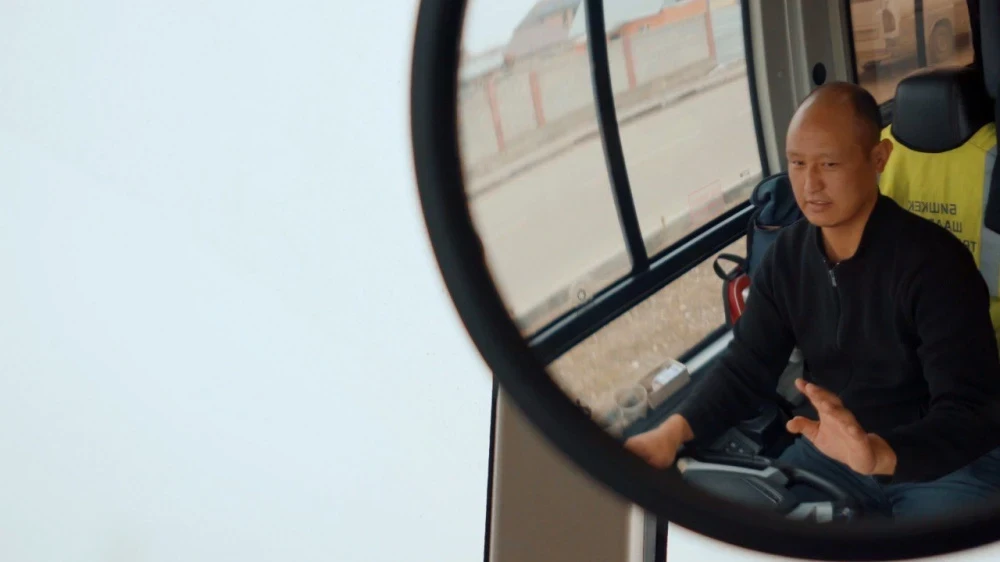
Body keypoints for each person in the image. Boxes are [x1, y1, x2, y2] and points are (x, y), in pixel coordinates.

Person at [625, 82, 1000, 519]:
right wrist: (669, 434)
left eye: (830, 164)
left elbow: (971, 411)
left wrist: (879, 453)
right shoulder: (788, 257)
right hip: (832, 449)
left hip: (940, 463)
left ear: (879, 159)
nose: (810, 184)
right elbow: (746, 367)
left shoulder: (934, 263)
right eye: (797, 163)